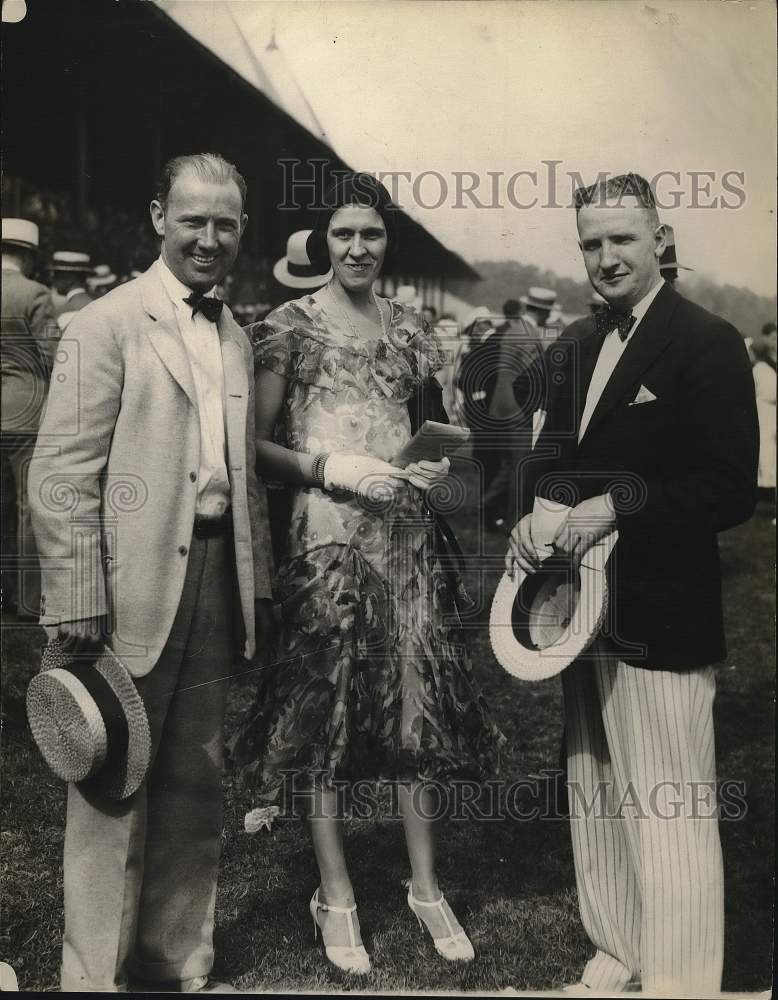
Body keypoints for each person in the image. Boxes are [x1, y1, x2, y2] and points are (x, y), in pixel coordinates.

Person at [231, 173, 503, 975]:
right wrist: (328, 466)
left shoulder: (416, 328)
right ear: (323, 242)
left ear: (388, 242)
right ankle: (336, 892)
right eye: (344, 233)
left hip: (405, 540)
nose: (358, 248)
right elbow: (248, 444)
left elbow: (437, 433)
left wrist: (428, 468)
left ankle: (425, 886)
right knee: (325, 710)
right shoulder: (287, 327)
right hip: (323, 540)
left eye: (372, 234)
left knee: (415, 705)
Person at [28, 152, 275, 993]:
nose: (209, 239)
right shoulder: (106, 324)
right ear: (158, 216)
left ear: (243, 231)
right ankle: (94, 979)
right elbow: (61, 474)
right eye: (194, 220)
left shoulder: (236, 335)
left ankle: (176, 966)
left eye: (226, 224)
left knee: (196, 781)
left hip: (212, 580)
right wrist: (79, 597)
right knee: (111, 785)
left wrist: (255, 592)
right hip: (124, 586)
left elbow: (241, 478)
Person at [506, 173, 758, 995]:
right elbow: (549, 461)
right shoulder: (575, 344)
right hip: (576, 613)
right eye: (591, 243)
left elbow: (727, 488)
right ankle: (620, 949)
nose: (606, 258)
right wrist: (530, 511)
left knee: (671, 809)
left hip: (664, 614)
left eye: (622, 239)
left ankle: (683, 980)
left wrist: (617, 505)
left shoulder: (707, 341)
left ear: (660, 239)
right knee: (598, 792)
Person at [1, 218, 58, 620]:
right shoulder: (34, 293)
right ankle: (24, 600)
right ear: (27, 255)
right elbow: (55, 355)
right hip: (26, 414)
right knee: (26, 507)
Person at [753, 320, 776, 504]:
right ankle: (764, 490)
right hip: (765, 411)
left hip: (771, 410)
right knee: (765, 448)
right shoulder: (761, 367)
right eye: (773, 338)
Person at [48, 250, 94, 331]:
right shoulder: (96, 305)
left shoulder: (62, 311)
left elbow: (51, 343)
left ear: (70, 278)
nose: (53, 278)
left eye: (56, 274)